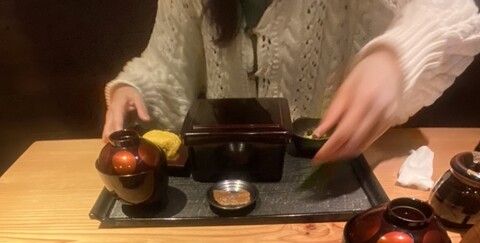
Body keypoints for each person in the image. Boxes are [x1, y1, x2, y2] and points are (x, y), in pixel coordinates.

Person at [102, 0, 480, 164]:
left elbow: (455, 13)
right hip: (226, 164)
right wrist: (134, 89)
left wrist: (395, 58)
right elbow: (168, 63)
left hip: (324, 166)